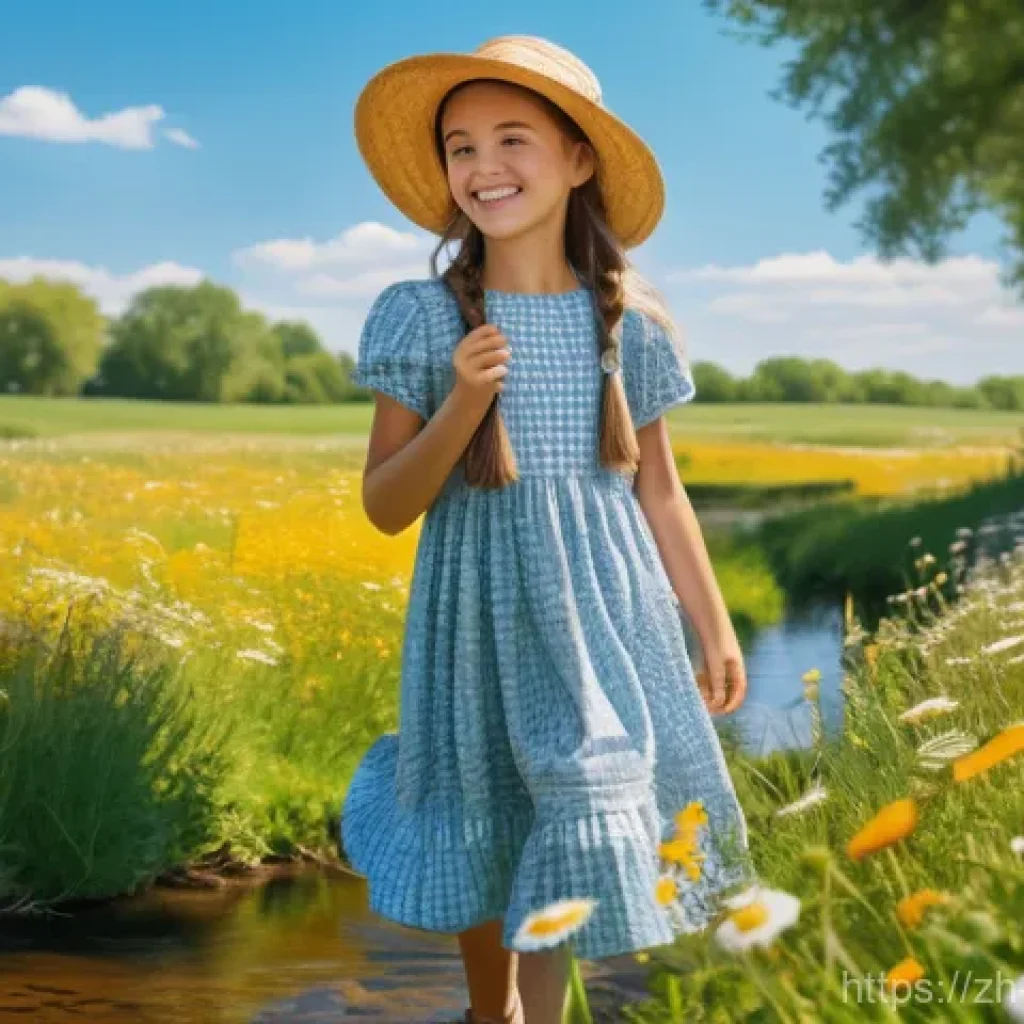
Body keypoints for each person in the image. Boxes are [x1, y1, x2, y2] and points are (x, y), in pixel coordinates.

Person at [340, 35, 755, 1024]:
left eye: (512, 139)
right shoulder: (421, 316)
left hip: (604, 616)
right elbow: (386, 505)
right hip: (475, 616)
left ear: (578, 160)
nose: (483, 166)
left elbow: (660, 492)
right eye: (461, 147)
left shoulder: (628, 322)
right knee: (485, 814)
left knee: (585, 793)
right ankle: (493, 1014)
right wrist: (461, 403)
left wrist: (715, 625)